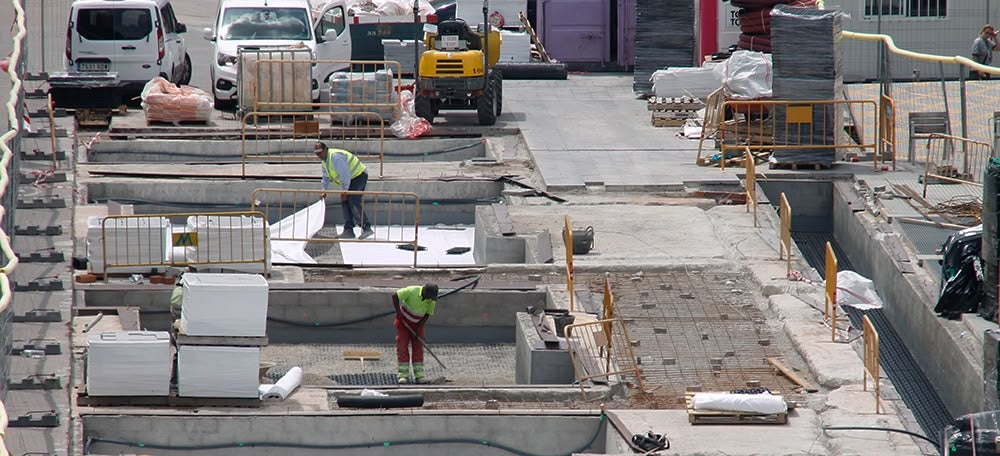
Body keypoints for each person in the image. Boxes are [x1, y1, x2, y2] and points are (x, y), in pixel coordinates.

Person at [314, 141, 373, 239]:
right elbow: (325, 178)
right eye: (317, 154)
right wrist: (324, 190)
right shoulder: (325, 162)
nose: (319, 155)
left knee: (353, 200)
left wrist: (345, 190)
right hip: (351, 178)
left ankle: (366, 227)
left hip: (358, 175)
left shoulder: (335, 157)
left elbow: (345, 174)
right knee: (345, 201)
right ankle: (349, 229)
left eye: (320, 153)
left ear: (325, 149)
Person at [391, 283, 439, 384]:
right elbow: (394, 295)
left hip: (417, 325)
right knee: (402, 347)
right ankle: (403, 376)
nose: (430, 299)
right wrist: (398, 312)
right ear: (424, 291)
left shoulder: (431, 299)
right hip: (403, 324)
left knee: (418, 348)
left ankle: (419, 376)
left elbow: (427, 314)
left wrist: (419, 328)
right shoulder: (412, 291)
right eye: (429, 297)